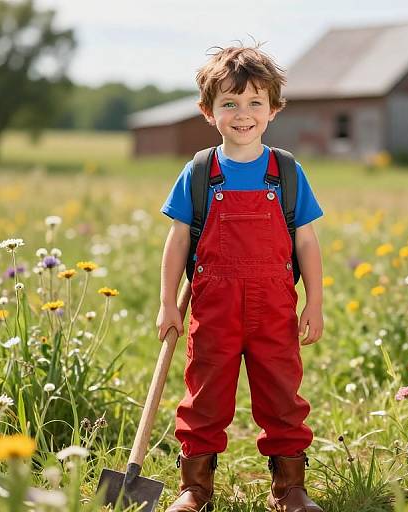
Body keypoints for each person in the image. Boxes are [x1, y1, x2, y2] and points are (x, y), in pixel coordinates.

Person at [156, 42, 324, 512]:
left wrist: (314, 302)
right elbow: (178, 242)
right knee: (205, 395)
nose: (243, 113)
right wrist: (168, 301)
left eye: (255, 102)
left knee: (281, 394)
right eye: (229, 103)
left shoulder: (286, 172)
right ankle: (195, 489)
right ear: (208, 111)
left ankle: (290, 488)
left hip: (274, 309)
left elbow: (307, 243)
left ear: (273, 108)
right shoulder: (199, 172)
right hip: (214, 309)